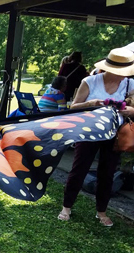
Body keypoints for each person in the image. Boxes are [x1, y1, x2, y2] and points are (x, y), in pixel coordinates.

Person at [57, 47, 134, 226]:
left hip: (114, 135)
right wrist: (91, 103)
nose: (123, 75)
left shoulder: (130, 85)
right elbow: (74, 106)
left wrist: (128, 110)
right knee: (79, 169)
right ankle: (66, 207)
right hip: (89, 131)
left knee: (107, 173)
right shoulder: (90, 81)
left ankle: (102, 211)